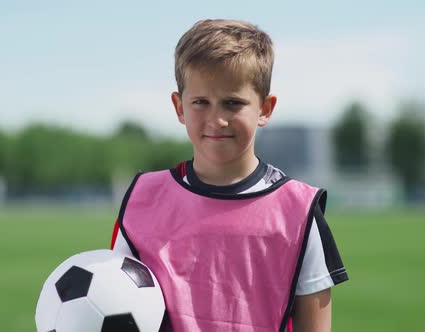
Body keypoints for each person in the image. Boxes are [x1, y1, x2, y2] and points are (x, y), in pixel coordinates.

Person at [110, 19, 348, 332]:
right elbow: (115, 303)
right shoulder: (142, 200)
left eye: (232, 103)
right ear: (179, 107)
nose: (217, 119)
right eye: (200, 103)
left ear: (265, 108)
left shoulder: (299, 212)